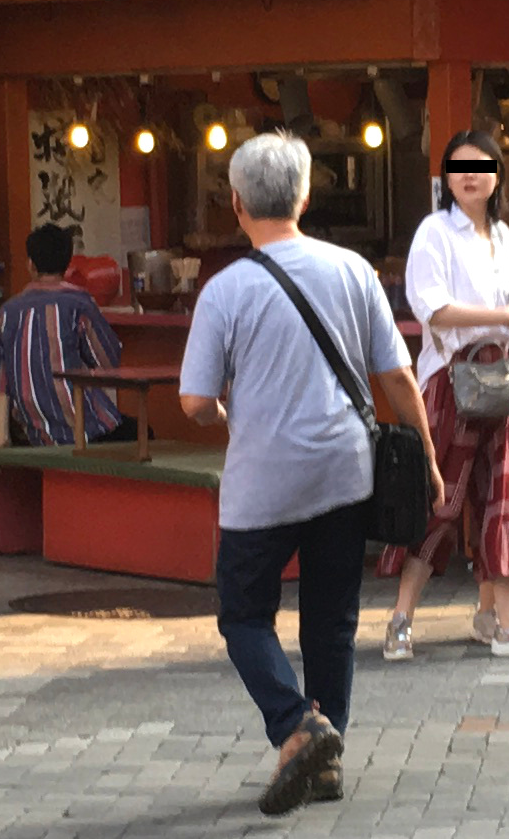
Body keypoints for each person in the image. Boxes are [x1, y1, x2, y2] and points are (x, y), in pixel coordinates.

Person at [182, 131, 440, 815]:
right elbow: (396, 376)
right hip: (343, 472)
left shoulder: (224, 290)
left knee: (243, 615)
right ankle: (326, 760)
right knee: (331, 621)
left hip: (262, 479)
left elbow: (195, 402)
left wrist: (223, 409)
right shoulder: (352, 270)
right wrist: (430, 457)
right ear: (304, 194)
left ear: (235, 203)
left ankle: (298, 726)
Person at [384, 127, 509, 662]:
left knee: (504, 499)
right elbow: (432, 309)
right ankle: (399, 618)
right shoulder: (434, 233)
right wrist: (505, 314)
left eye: (481, 168)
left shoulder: (505, 237)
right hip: (452, 378)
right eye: (459, 168)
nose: (470, 177)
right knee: (441, 500)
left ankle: (506, 622)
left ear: (497, 177)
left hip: (500, 376)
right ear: (446, 178)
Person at [0, 223, 128, 448]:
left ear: (30, 265)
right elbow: (109, 362)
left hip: (38, 437)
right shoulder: (79, 304)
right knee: (144, 433)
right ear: (68, 263)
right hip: (88, 430)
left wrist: (2, 437)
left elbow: (0, 382)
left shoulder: (7, 313)